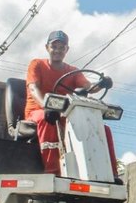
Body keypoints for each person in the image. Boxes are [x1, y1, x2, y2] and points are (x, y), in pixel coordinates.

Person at [25, 30, 118, 176]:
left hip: (64, 113)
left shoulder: (72, 71)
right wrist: (46, 106)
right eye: (54, 46)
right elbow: (33, 88)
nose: (57, 50)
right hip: (38, 112)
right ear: (47, 47)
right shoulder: (37, 64)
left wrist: (102, 83)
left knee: (102, 128)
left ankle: (110, 173)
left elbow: (89, 88)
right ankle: (52, 171)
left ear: (66, 50)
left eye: (62, 47)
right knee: (47, 119)